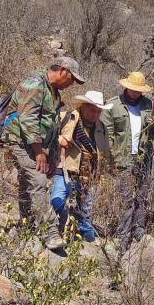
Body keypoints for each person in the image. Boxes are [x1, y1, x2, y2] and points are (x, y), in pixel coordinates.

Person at [0, 56, 84, 250]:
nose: (72, 84)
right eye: (72, 79)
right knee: (38, 181)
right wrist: (39, 153)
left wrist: (52, 155)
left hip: (38, 145)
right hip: (21, 142)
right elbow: (28, 120)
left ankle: (27, 225)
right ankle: (50, 232)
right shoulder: (35, 85)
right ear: (63, 71)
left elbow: (52, 126)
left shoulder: (53, 92)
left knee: (27, 182)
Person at [100, 71, 154, 252]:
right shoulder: (113, 105)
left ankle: (138, 229)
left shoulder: (149, 106)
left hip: (144, 157)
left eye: (139, 90)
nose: (135, 93)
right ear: (126, 87)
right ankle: (123, 235)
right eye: (132, 89)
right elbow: (106, 133)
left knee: (142, 195)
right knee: (126, 199)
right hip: (122, 158)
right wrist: (111, 158)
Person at [50, 91, 113, 242]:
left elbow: (104, 152)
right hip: (66, 169)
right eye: (92, 110)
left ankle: (82, 228)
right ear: (83, 107)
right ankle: (64, 220)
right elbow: (45, 132)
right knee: (57, 200)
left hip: (89, 174)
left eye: (98, 111)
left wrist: (102, 174)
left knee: (84, 207)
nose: (95, 114)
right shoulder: (67, 117)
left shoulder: (101, 128)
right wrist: (58, 138)